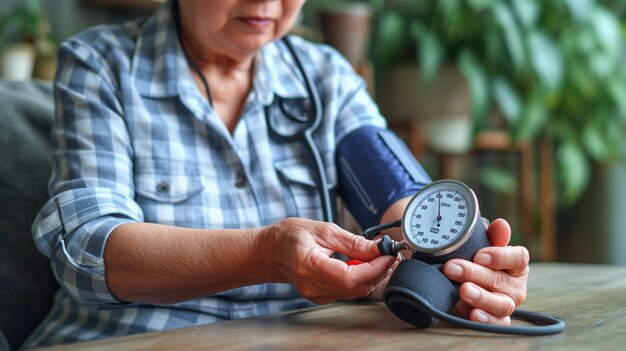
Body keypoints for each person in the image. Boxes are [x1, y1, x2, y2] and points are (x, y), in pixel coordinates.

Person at [24, 0, 529, 348]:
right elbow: (87, 251)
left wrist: (464, 265)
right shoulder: (100, 66)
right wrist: (266, 254)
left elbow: (401, 199)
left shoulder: (326, 79)